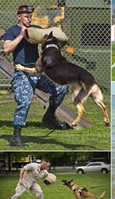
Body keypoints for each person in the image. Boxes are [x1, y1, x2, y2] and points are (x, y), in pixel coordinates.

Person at [3, 5, 68, 147]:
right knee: (25, 101)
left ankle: (49, 116)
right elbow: (7, 49)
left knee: (61, 88)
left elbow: (49, 40)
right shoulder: (12, 31)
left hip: (37, 71)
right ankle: (16, 136)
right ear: (18, 16)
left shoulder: (36, 29)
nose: (29, 18)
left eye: (30, 16)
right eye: (26, 16)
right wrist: (21, 35)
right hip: (22, 72)